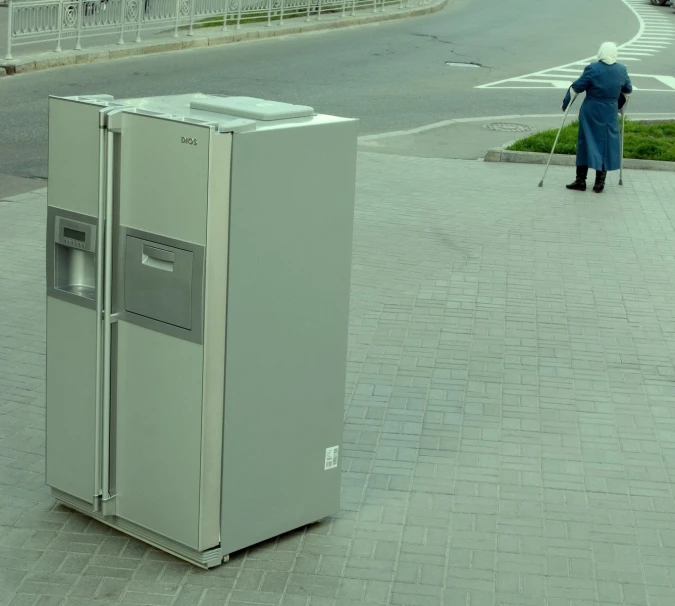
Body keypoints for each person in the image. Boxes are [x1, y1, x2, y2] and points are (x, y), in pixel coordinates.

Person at [562, 42, 633, 193]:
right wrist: (619, 106)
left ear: (600, 53)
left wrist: (565, 104)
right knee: (605, 145)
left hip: (591, 112)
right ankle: (599, 183)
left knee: (585, 142)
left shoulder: (592, 68)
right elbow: (627, 91)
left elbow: (576, 88)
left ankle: (581, 181)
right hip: (609, 112)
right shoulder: (622, 70)